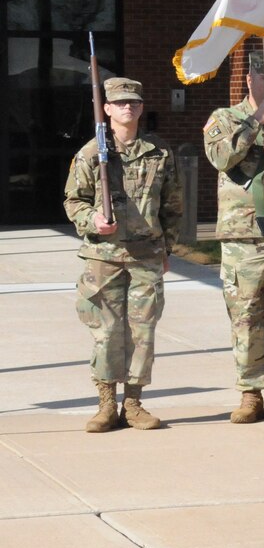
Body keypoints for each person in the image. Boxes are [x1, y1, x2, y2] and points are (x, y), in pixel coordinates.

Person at [64, 77, 182, 432]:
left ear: (141, 108)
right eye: (120, 103)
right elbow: (74, 200)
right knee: (106, 332)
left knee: (142, 333)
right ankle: (105, 404)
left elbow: (173, 207)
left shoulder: (159, 152)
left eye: (133, 102)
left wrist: (167, 249)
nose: (127, 107)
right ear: (107, 109)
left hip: (146, 256)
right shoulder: (90, 154)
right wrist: (91, 219)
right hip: (103, 257)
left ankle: (133, 403)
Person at [203, 51, 264, 424]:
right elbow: (220, 157)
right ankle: (249, 392)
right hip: (244, 236)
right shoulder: (225, 119)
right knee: (246, 316)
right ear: (249, 81)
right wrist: (258, 122)